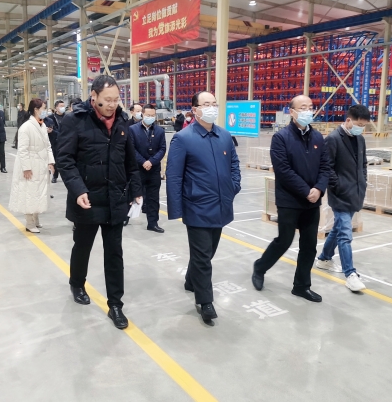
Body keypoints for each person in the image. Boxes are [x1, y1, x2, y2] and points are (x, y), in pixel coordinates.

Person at [57, 75, 142, 330]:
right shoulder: (75, 120)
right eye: (108, 100)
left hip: (115, 198)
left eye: (116, 99)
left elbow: (130, 162)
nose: (113, 104)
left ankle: (115, 304)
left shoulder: (122, 122)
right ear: (93, 97)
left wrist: (136, 191)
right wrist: (78, 189)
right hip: (87, 199)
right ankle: (77, 283)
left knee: (114, 252)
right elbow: (65, 160)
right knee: (83, 245)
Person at [166, 91, 241, 324]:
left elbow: (234, 164)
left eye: (214, 104)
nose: (211, 108)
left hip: (221, 204)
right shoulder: (183, 138)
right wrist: (177, 209)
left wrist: (233, 186)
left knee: (208, 251)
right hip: (197, 205)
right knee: (202, 256)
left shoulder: (224, 136)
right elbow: (174, 176)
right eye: (206, 104)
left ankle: (191, 280)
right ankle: (205, 301)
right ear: (195, 109)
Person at [251, 95, 330, 303]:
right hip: (289, 200)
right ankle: (260, 267)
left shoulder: (318, 138)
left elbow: (325, 166)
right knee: (284, 241)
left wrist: (319, 189)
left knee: (309, 245)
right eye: (302, 108)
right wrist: (306, 191)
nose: (308, 111)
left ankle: (301, 286)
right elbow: (283, 170)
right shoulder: (281, 138)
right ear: (292, 112)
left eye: (310, 107)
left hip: (312, 201)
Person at [315, 105, 369, 292]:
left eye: (364, 125)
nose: (361, 128)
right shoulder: (333, 139)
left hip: (356, 193)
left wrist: (363, 181)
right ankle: (350, 274)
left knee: (338, 228)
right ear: (348, 120)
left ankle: (324, 258)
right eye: (358, 124)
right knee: (345, 234)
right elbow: (327, 167)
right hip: (340, 195)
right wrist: (338, 186)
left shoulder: (360, 139)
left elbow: (363, 164)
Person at [9, 99, 55, 233]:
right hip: (30, 164)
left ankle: (36, 218)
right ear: (36, 109)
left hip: (41, 163)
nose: (45, 111)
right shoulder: (26, 127)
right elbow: (22, 150)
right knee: (28, 193)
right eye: (44, 108)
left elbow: (48, 146)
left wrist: (50, 162)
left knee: (39, 192)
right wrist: (26, 168)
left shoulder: (42, 125)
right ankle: (29, 222)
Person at [129, 104, 167, 233]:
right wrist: (143, 162)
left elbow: (162, 149)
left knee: (153, 198)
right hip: (138, 169)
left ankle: (153, 223)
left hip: (154, 169)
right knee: (133, 194)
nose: (150, 117)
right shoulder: (132, 129)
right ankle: (125, 218)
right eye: (147, 115)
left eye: (152, 115)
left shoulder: (160, 131)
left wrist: (151, 161)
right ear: (142, 115)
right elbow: (131, 149)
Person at [44, 100, 66, 183]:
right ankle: (55, 176)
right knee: (55, 159)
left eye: (63, 106)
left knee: (64, 159)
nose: (63, 108)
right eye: (61, 106)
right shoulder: (51, 118)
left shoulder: (67, 117)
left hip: (65, 141)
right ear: (56, 108)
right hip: (54, 142)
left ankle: (65, 176)